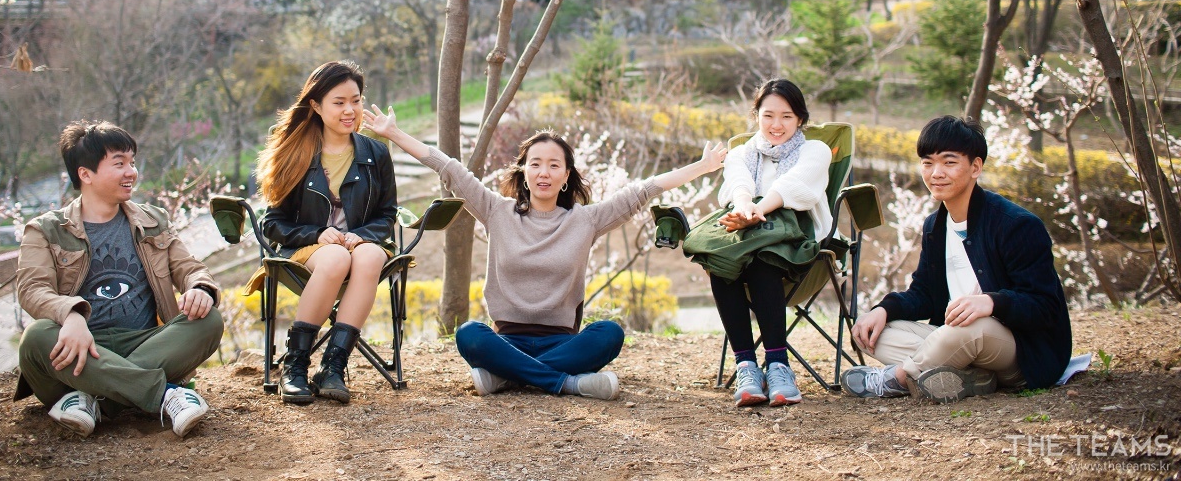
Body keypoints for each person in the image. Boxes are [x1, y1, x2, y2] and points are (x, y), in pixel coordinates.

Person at [363, 104, 726, 400]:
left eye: (554, 165)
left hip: (562, 340)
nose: (544, 173)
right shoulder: (496, 211)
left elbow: (643, 191)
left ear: (566, 176)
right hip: (505, 337)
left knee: (609, 333)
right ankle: (566, 383)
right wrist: (394, 133)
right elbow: (450, 170)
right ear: (523, 171)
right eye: (535, 163)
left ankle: (507, 378)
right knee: (469, 333)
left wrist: (703, 167)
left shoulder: (586, 220)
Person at [14, 121, 223, 438]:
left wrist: (200, 287)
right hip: (80, 349)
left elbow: (188, 265)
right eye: (119, 163)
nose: (131, 172)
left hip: (144, 344)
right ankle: (164, 395)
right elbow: (31, 290)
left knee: (208, 320)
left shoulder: (152, 220)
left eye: (132, 162)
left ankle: (95, 399)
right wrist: (69, 315)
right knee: (37, 336)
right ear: (86, 174)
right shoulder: (44, 230)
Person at [844, 116, 1072, 403]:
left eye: (949, 162)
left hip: (1018, 353)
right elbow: (924, 294)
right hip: (956, 339)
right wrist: (883, 310)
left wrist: (992, 302)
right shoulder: (934, 226)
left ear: (976, 167)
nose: (936, 172)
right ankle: (971, 377)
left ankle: (898, 378)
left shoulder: (1016, 225)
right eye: (927, 163)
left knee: (966, 330)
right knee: (874, 333)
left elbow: (1044, 306)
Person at [253, 61, 398, 405]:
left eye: (356, 100)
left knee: (373, 254)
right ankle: (296, 366)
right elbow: (273, 223)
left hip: (359, 244)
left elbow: (387, 214)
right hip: (308, 250)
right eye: (339, 102)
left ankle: (333, 367)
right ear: (316, 106)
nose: (350, 110)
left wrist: (361, 235)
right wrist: (318, 234)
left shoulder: (375, 152)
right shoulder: (296, 151)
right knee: (334, 257)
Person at [705, 79, 833, 407]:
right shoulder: (743, 152)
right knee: (723, 259)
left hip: (799, 243)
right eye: (769, 116)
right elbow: (736, 181)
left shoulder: (815, 150)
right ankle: (747, 365)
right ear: (756, 116)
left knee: (763, 257)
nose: (777, 125)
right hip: (749, 232)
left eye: (787, 117)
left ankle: (778, 365)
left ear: (800, 119)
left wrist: (758, 210)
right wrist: (744, 204)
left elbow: (798, 184)